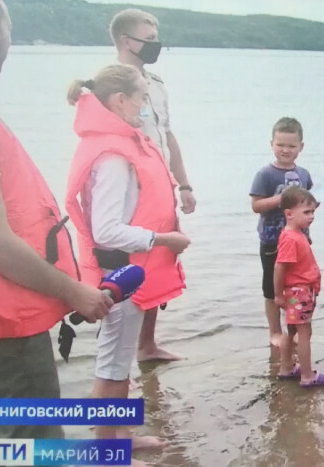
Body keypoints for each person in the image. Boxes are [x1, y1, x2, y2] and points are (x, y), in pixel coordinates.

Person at [0, 0, 112, 440]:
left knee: (0, 437)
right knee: (35, 441)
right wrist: (75, 291)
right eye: (9, 28)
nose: (9, 39)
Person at [64, 64, 190, 457]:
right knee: (113, 364)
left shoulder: (116, 143)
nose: (145, 106)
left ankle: (120, 436)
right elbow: (105, 230)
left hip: (129, 271)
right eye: (141, 98)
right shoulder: (112, 156)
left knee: (119, 360)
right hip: (118, 274)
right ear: (120, 101)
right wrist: (162, 239)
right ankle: (107, 451)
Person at [110, 8, 196, 362]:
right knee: (128, 264)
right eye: (148, 38)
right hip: (129, 191)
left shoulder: (156, 85)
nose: (155, 44)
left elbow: (167, 135)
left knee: (160, 262)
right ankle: (117, 354)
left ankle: (146, 345)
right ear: (126, 41)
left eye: (156, 37)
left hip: (162, 185)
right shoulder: (110, 85)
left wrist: (184, 184)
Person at [250, 117, 313, 346]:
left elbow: (307, 205)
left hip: (299, 241)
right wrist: (281, 199)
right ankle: (275, 332)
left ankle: (293, 329)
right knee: (271, 288)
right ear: (272, 144)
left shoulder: (304, 174)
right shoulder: (265, 174)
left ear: (301, 147)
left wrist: (309, 214)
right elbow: (256, 206)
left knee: (297, 286)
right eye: (280, 145)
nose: (285, 150)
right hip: (272, 241)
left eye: (291, 146)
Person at [274, 187, 324, 388]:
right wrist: (278, 295)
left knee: (291, 330)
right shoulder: (291, 238)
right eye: (306, 212)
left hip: (298, 292)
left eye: (313, 212)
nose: (311, 216)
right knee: (304, 332)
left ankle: (286, 368)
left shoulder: (296, 234)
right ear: (289, 214)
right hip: (299, 292)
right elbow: (279, 267)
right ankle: (307, 376)